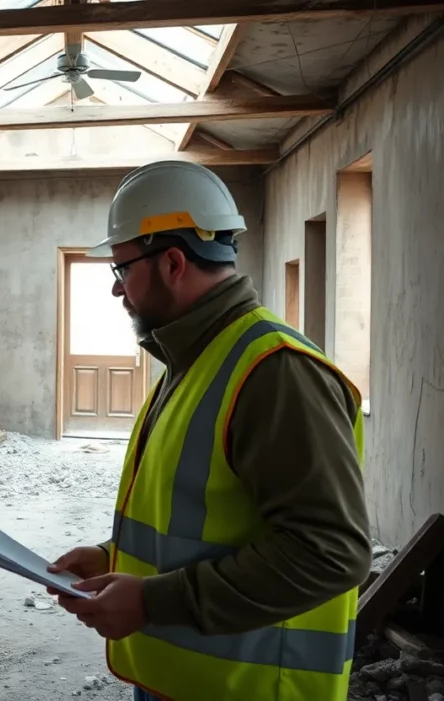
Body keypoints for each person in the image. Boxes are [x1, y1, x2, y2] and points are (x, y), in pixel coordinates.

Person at [46, 161, 371, 701]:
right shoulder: (193, 361)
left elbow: (329, 551)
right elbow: (205, 519)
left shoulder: (275, 372)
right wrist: (114, 556)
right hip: (181, 680)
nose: (115, 289)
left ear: (172, 262)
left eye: (121, 268)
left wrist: (151, 603)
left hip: (253, 688)